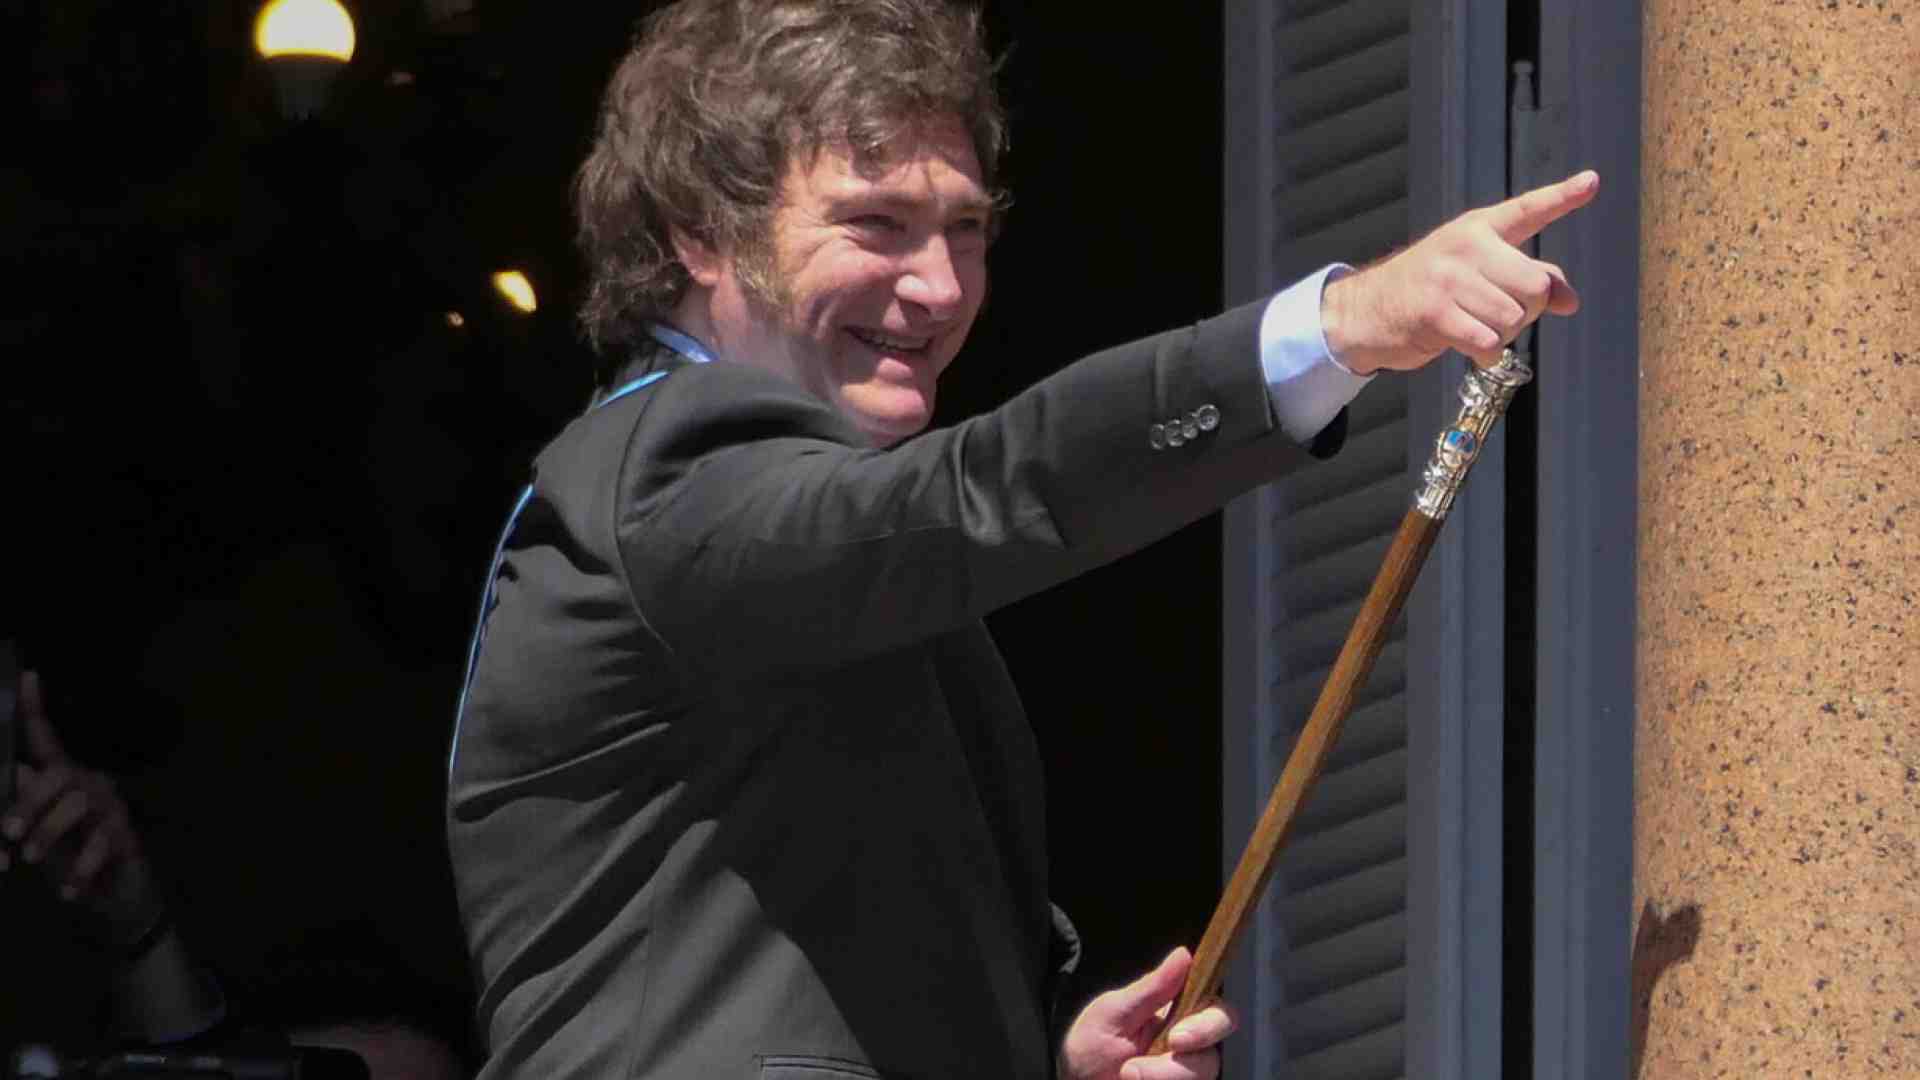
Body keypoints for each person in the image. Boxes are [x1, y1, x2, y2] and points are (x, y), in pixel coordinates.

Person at [443, 1, 1596, 1077]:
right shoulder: (666, 464)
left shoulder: (803, 539)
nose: (940, 287)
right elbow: (984, 492)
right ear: (701, 233)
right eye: (877, 225)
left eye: (964, 231)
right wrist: (1339, 325)